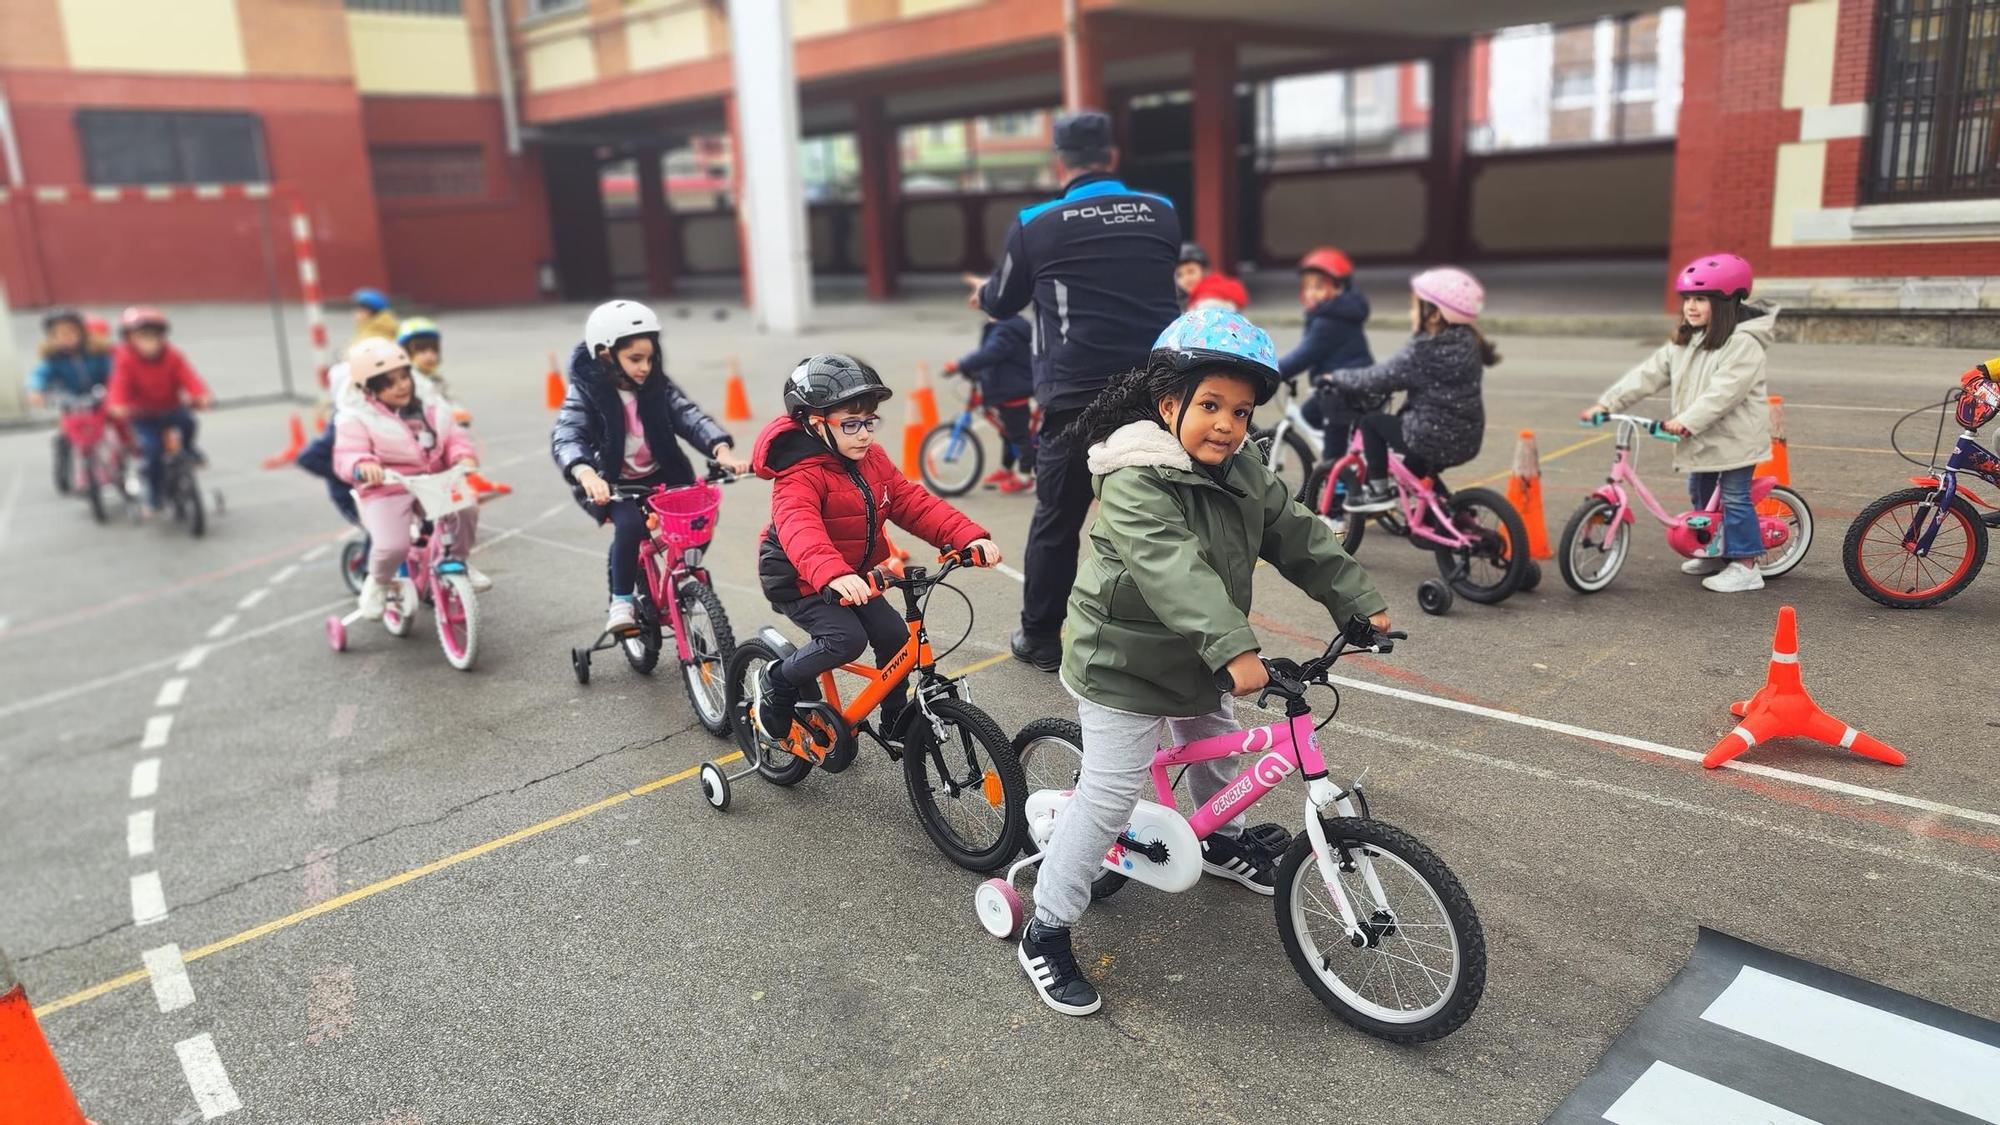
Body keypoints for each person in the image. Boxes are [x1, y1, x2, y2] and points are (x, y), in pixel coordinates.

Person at [1014, 309, 1389, 1017]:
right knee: (1110, 800)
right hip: (1121, 665)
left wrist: (1356, 600)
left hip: (1197, 656)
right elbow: (1172, 570)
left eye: (1241, 412)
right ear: (1168, 404)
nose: (1227, 424)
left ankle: (1220, 842)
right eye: (1210, 405)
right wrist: (1236, 650)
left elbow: (1296, 529)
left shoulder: (1242, 468)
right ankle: (1048, 925)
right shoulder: (1134, 478)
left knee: (1216, 750)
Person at [965, 108, 1182, 673]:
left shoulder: (1036, 222)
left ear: (1060, 159)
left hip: (1077, 399)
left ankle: (1039, 637)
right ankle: (1172, 634)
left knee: (1058, 522)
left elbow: (1004, 299)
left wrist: (983, 295)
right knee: (1165, 515)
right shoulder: (1161, 213)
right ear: (1111, 156)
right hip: (1162, 394)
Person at [750, 354, 1001, 742]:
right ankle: (777, 681)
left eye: (870, 421)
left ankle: (896, 718)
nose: (865, 434)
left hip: (852, 576)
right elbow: (802, 531)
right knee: (845, 640)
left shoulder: (873, 459)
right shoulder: (797, 477)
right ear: (816, 425)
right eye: (851, 424)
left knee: (897, 638)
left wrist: (966, 536)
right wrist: (833, 574)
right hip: (799, 577)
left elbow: (911, 503)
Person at [1583, 253, 1778, 593]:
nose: (1691, 306)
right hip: (1701, 438)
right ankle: (1712, 548)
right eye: (1688, 299)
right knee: (1699, 492)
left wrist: (1685, 421)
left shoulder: (1743, 344)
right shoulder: (1686, 340)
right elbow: (1648, 375)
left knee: (1734, 497)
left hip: (1735, 438)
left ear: (1727, 302)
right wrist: (1608, 402)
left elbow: (1724, 393)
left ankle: (1746, 564)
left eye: (1701, 299)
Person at [550, 300, 749, 634]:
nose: (645, 367)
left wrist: (722, 450)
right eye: (635, 359)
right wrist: (585, 473)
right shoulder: (587, 391)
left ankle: (682, 574)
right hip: (611, 481)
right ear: (605, 355)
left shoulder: (657, 386)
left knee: (700, 516)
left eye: (650, 358)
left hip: (662, 473)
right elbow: (568, 435)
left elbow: (689, 417)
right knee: (629, 528)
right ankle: (622, 601)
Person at [333, 338, 488, 618]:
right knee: (393, 545)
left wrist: (461, 455)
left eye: (404, 377)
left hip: (433, 478)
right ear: (369, 390)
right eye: (389, 383)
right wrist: (363, 463)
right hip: (387, 486)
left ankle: (456, 561)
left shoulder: (430, 404)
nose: (401, 386)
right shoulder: (356, 416)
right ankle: (378, 582)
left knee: (465, 509)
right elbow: (347, 453)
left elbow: (452, 435)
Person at [1325, 267, 1497, 514]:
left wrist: (1338, 378)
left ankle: (1378, 491)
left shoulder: (1423, 351)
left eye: (1415, 306)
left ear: (1435, 314)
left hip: (1430, 437)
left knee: (1372, 423)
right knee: (1414, 471)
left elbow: (1379, 378)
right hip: (1466, 437)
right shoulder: (1469, 342)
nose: (1411, 312)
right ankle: (1451, 515)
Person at [1279, 248, 1381, 463]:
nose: (1311, 293)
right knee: (1313, 415)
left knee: (1330, 442)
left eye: (1318, 286)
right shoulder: (1339, 312)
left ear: (1339, 287)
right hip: (1356, 381)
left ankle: (1339, 482)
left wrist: (1270, 370)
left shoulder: (1328, 321)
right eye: (1307, 287)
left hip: (1341, 389)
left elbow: (1304, 356)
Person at [106, 307, 211, 515]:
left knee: (189, 422)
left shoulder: (173, 357)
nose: (149, 344)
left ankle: (189, 449)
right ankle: (154, 497)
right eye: (142, 338)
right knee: (153, 451)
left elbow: (189, 377)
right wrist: (118, 405)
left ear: (162, 338)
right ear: (129, 340)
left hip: (171, 407)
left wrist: (200, 394)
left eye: (154, 338)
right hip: (143, 416)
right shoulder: (125, 361)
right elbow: (119, 385)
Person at [943, 313, 1036, 493]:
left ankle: (1026, 477)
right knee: (1007, 433)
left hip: (1012, 390)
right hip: (1006, 387)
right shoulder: (1006, 324)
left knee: (1019, 436)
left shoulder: (1005, 330)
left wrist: (960, 364)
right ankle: (1006, 469)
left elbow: (990, 353)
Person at [28, 308, 113, 494]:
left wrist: (114, 386)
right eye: (59, 334)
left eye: (71, 332)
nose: (66, 338)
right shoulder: (53, 360)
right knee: (69, 435)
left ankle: (115, 462)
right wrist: (36, 390)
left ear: (82, 332)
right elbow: (39, 374)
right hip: (71, 401)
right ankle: (74, 471)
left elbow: (112, 371)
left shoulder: (96, 353)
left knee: (110, 430)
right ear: (51, 337)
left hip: (97, 396)